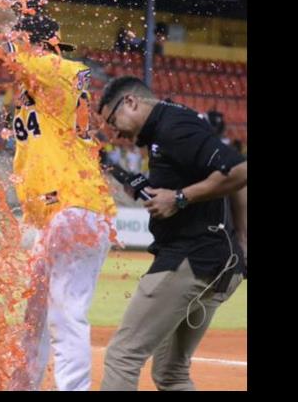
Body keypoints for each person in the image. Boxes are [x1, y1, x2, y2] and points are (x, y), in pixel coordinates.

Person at [96, 76, 247, 391]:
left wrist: (179, 199)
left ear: (131, 102)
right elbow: (229, 175)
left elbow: (239, 171)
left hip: (189, 258)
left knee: (122, 356)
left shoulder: (173, 126)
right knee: (171, 373)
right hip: (217, 260)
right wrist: (241, 243)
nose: (115, 132)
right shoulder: (171, 126)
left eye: (113, 120)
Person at [6, 13, 117, 391]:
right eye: (54, 45)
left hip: (75, 206)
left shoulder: (54, 69)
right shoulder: (37, 86)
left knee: (67, 314)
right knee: (35, 316)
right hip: (60, 211)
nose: (57, 52)